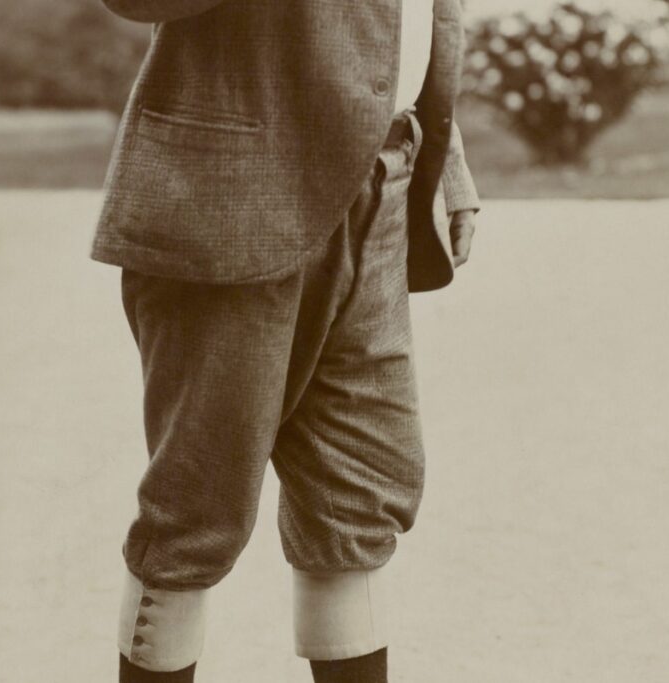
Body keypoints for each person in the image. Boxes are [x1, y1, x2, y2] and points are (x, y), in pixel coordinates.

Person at [91, 1, 480, 681]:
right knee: (195, 513)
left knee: (359, 501)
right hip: (233, 193)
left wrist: (446, 161)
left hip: (382, 188)